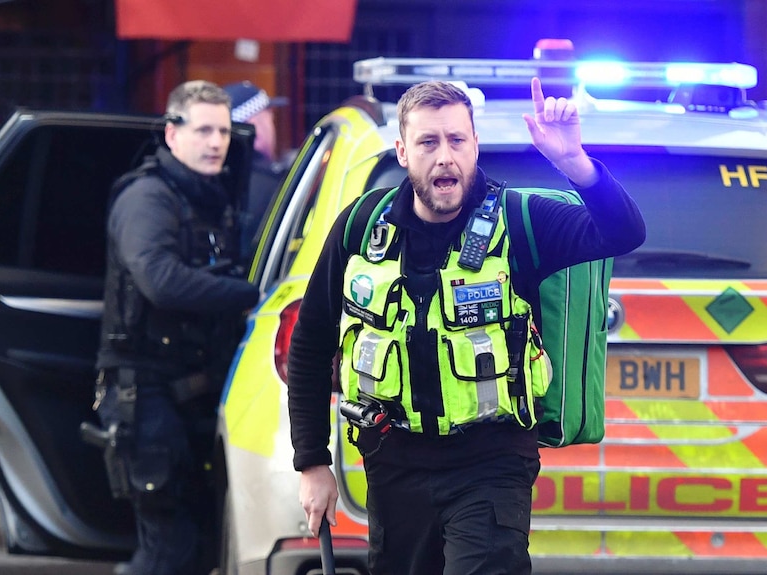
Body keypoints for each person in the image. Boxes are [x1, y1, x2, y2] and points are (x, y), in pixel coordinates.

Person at [287, 77, 646, 575]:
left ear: (474, 145)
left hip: (491, 463)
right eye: (428, 142)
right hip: (393, 463)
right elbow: (311, 341)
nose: (445, 157)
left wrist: (573, 162)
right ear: (403, 151)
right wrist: (312, 462)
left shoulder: (519, 221)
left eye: (457, 140)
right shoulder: (363, 226)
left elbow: (623, 232)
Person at [92, 80, 260, 575]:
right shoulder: (147, 198)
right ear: (172, 134)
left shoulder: (209, 198)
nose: (216, 142)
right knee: (171, 547)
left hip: (189, 392)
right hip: (144, 392)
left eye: (224, 131)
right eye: (203, 129)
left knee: (198, 546)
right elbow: (160, 281)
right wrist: (253, 297)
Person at [222, 80, 291, 258]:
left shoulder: (219, 178)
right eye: (270, 116)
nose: (273, 125)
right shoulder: (271, 184)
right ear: (256, 128)